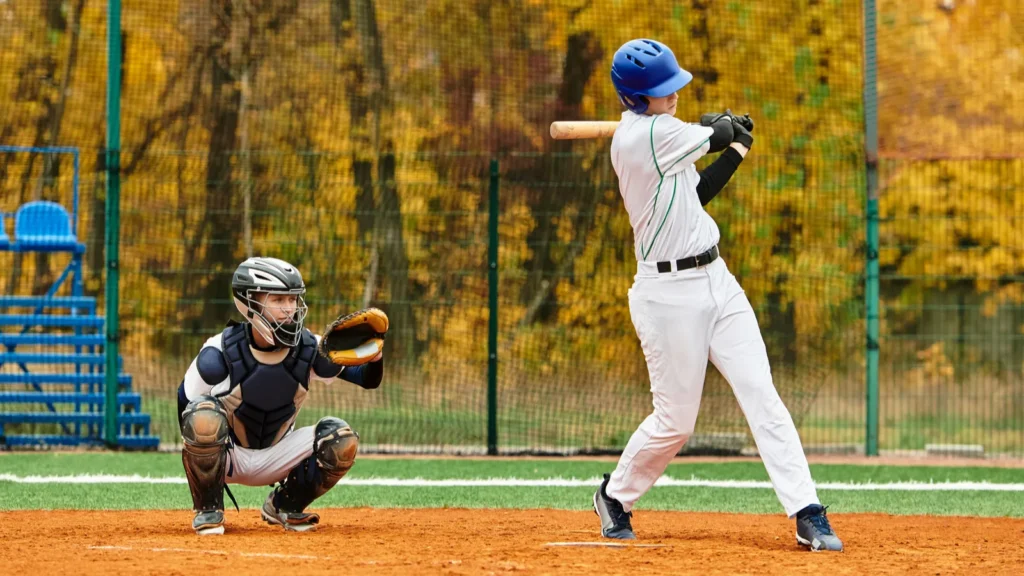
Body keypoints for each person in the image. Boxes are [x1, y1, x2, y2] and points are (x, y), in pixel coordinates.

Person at [592, 38, 843, 552]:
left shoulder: (667, 135)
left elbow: (697, 196)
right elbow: (712, 132)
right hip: (666, 295)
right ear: (635, 99)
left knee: (762, 394)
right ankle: (615, 495)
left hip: (716, 281)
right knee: (676, 422)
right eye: (663, 90)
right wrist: (721, 128)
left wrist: (734, 146)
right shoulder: (643, 138)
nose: (674, 94)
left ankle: (807, 510)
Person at [176, 256, 384, 535]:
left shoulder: (310, 347)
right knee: (203, 415)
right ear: (249, 303)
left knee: (340, 440)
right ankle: (209, 508)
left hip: (279, 455)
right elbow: (185, 402)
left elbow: (367, 381)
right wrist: (203, 458)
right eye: (278, 300)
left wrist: (376, 357)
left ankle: (285, 505)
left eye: (293, 300)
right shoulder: (219, 352)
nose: (290, 309)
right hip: (229, 458)